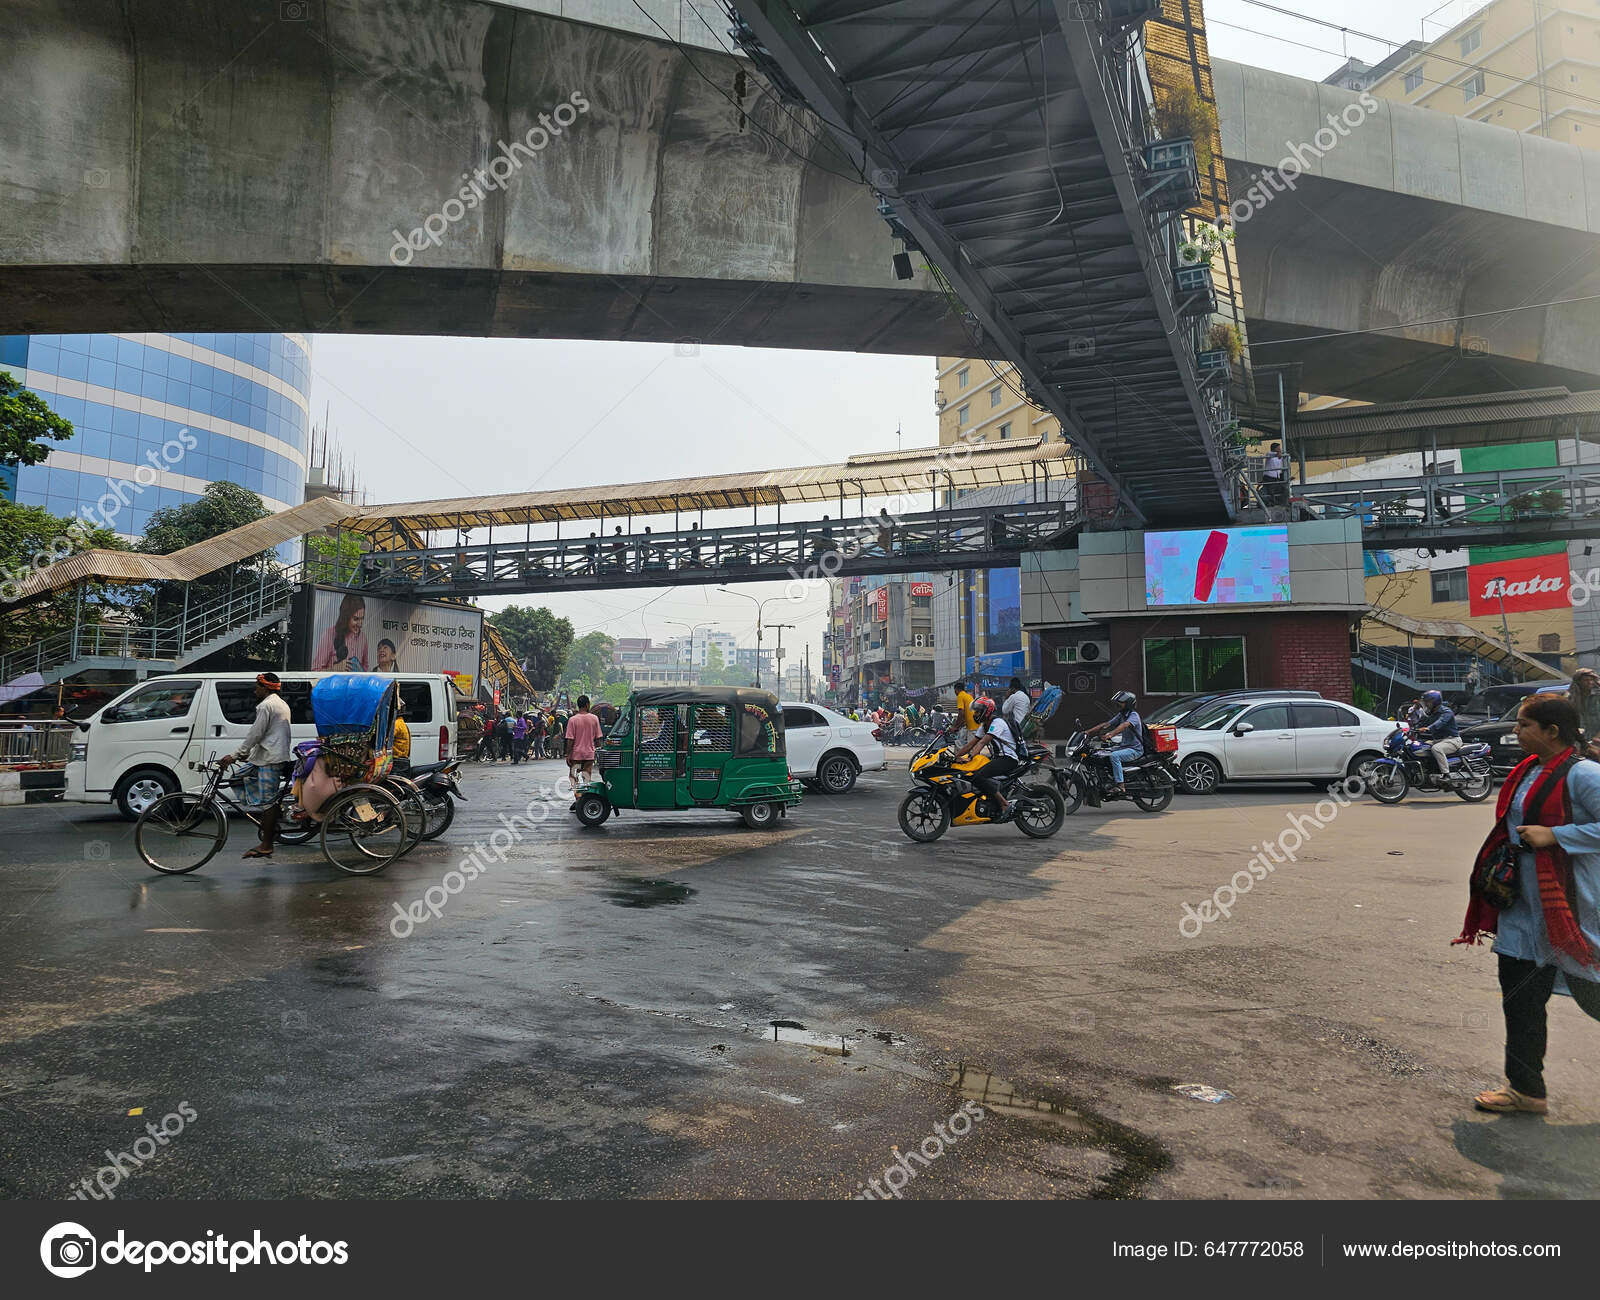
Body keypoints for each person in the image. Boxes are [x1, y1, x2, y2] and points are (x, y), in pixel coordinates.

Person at [1457, 694, 1600, 1115]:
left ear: (1552, 732)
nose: (1514, 732)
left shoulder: (1584, 774)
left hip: (1572, 911)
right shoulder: (1528, 770)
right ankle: (1526, 1090)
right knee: (1520, 1002)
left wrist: (1557, 836)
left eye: (1523, 725)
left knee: (1594, 997)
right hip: (1523, 911)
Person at [216, 672, 292, 859]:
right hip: (264, 756)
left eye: (257, 686)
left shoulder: (266, 705)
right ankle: (270, 814)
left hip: (270, 759)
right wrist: (246, 754)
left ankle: (267, 843)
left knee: (268, 803)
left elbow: (255, 734)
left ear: (265, 688)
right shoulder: (280, 703)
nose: (255, 689)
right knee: (236, 779)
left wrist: (235, 755)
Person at [952, 696, 1022, 819]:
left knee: (979, 776)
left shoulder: (997, 723)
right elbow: (970, 744)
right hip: (998, 757)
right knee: (971, 772)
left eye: (978, 711)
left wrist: (970, 757)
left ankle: (1004, 804)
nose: (975, 713)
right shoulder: (984, 725)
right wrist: (955, 756)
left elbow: (983, 742)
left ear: (987, 711)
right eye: (975, 711)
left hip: (1008, 759)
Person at [1086, 690, 1145, 796]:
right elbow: (1107, 724)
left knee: (1114, 756)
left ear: (1128, 704)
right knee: (1100, 753)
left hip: (1135, 750)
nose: (1118, 705)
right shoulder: (1121, 715)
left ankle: (1120, 786)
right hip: (1124, 747)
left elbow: (1124, 725)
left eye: (1120, 703)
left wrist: (1110, 735)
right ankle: (1108, 780)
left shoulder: (1133, 715)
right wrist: (1088, 732)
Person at [310, 593, 368, 671]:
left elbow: (365, 669)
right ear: (345, 617)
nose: (360, 624)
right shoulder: (329, 635)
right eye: (356, 619)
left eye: (362, 618)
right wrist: (334, 669)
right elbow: (315, 671)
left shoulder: (363, 638)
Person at [1412, 688, 1461, 777]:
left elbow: (1441, 722)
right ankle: (1429, 770)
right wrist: (1412, 727)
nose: (1426, 704)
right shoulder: (1431, 713)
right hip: (1439, 740)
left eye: (1428, 702)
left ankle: (1446, 774)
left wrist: (1427, 729)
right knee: (1420, 746)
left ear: (1435, 701)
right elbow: (1421, 722)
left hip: (1452, 740)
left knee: (1436, 749)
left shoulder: (1446, 712)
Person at [566, 694, 603, 787]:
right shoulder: (594, 719)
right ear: (587, 705)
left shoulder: (572, 720)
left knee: (573, 777)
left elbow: (570, 740)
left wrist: (568, 755)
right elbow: (598, 739)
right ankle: (585, 797)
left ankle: (578, 798)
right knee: (587, 777)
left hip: (576, 754)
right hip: (589, 754)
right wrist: (599, 754)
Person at [1570, 668, 1600, 760]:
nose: (1589, 682)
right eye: (1586, 680)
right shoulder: (1572, 698)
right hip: (1580, 740)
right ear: (1579, 682)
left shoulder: (1598, 697)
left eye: (1591, 680)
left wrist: (1597, 738)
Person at [1002, 676, 1031, 740]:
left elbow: (1004, 710)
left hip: (1018, 726)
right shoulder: (1026, 697)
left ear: (1012, 689)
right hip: (1026, 725)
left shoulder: (1013, 697)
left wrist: (1006, 697)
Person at [391, 697, 412, 776]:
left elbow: (386, 740)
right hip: (402, 761)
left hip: (397, 762)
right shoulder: (400, 723)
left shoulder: (397, 724)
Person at [954, 680, 977, 746]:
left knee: (971, 748)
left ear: (956, 689)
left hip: (972, 725)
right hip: (972, 723)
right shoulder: (968, 696)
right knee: (961, 741)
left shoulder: (960, 696)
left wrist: (955, 727)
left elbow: (961, 713)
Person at [1263, 442, 1287, 506]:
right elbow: (1271, 454)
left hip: (1276, 477)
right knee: (1271, 491)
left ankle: (1280, 503)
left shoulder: (1280, 456)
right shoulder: (1269, 454)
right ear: (1274, 448)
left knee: (1283, 490)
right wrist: (1277, 454)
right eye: (1278, 448)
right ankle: (1271, 503)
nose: (1280, 449)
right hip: (1269, 477)